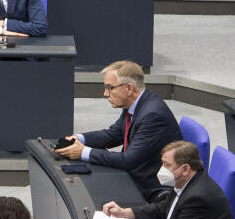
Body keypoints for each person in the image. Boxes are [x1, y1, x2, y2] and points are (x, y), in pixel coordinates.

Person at [56, 60, 181, 192]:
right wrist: (79, 138)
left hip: (149, 186)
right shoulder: (135, 103)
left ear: (129, 88)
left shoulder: (153, 115)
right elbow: (113, 134)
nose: (105, 94)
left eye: (110, 87)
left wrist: (83, 152)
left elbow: (129, 160)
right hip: (133, 173)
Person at [101, 141, 235, 219]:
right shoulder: (187, 180)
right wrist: (125, 213)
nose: (162, 169)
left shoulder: (198, 198)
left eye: (167, 165)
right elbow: (163, 209)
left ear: (185, 169)